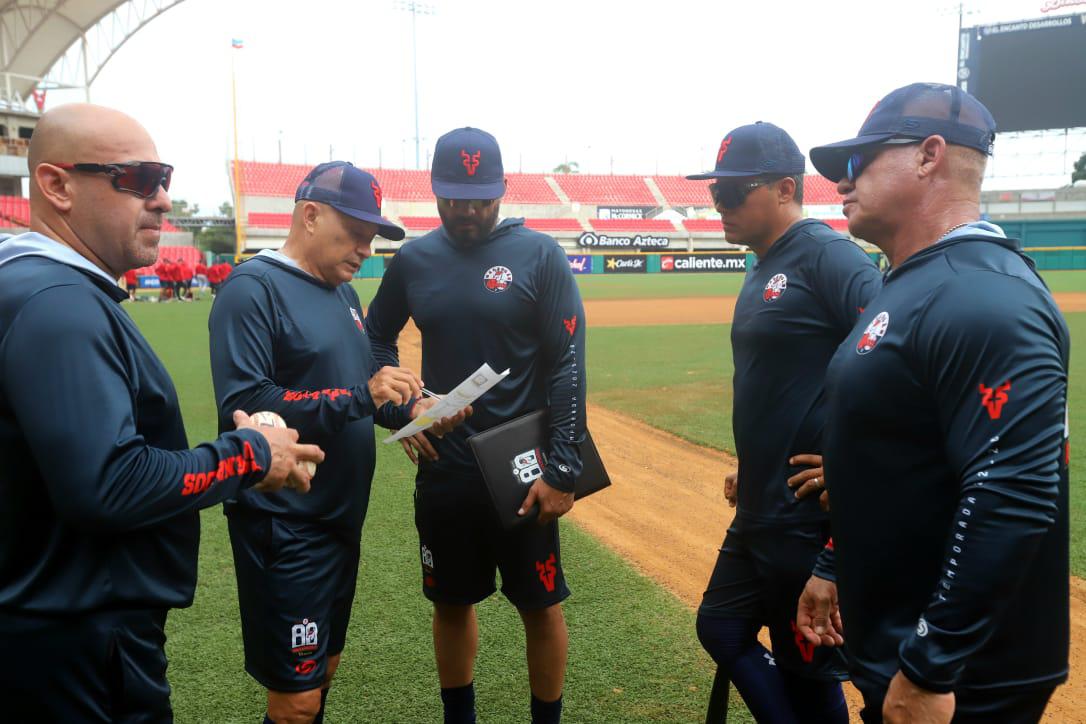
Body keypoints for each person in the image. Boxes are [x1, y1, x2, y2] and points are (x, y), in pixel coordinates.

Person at [0, 102, 324, 722]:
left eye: (164, 178)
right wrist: (251, 455)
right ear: (57, 186)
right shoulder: (58, 303)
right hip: (78, 640)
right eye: (138, 179)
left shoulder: (35, 286)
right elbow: (109, 485)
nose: (163, 199)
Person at [799, 82, 1069, 723]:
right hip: (900, 644)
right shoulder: (915, 283)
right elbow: (893, 459)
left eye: (859, 160)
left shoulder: (982, 294)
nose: (842, 181)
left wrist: (931, 666)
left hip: (964, 679)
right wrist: (834, 562)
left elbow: (1012, 488)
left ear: (929, 155)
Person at [209, 161, 467, 724]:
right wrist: (362, 395)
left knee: (324, 670)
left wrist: (411, 411)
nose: (365, 250)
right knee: (296, 700)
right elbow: (247, 402)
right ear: (310, 215)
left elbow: (354, 393)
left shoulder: (344, 295)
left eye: (371, 238)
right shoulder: (252, 290)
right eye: (355, 234)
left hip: (340, 519)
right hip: (284, 524)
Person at [365, 127, 586, 724]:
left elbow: (566, 361)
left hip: (522, 470)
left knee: (540, 605)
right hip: (445, 467)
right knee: (451, 602)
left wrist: (564, 467)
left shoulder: (539, 256)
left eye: (480, 199)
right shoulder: (413, 260)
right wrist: (404, 410)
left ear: (502, 189)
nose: (466, 211)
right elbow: (375, 338)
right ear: (435, 190)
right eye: (454, 198)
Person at [684, 122, 881, 723]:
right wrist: (751, 460)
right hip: (760, 500)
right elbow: (779, 382)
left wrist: (849, 462)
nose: (719, 204)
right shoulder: (762, 263)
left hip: (803, 512)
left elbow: (894, 361)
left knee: (806, 662)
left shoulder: (828, 256)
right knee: (721, 626)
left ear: (785, 189)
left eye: (732, 192)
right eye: (714, 192)